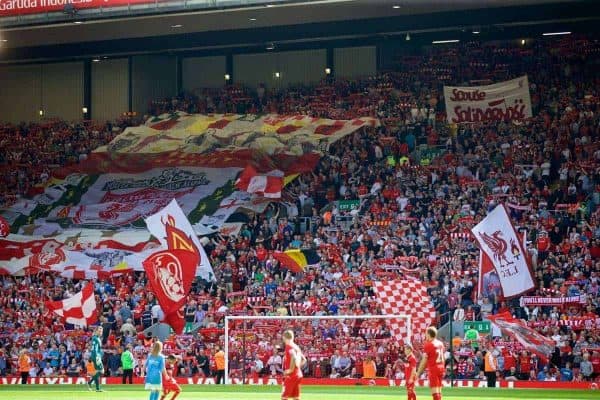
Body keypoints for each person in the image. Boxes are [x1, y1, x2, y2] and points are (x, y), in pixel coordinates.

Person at [413, 326, 445, 400]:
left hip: (434, 368)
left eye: (426, 333)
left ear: (428, 334)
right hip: (441, 368)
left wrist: (418, 373)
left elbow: (424, 361)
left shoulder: (428, 345)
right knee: (439, 391)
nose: (425, 335)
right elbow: (443, 357)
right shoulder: (440, 343)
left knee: (435, 392)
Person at [282, 329, 306, 400]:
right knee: (296, 397)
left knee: (284, 397)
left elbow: (294, 357)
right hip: (298, 374)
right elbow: (304, 360)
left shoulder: (289, 346)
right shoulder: (296, 346)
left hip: (291, 376)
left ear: (284, 337)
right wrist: (297, 369)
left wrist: (290, 370)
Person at [88, 326, 104, 392]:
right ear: (96, 331)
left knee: (99, 371)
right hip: (96, 356)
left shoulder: (97, 338)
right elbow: (94, 349)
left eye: (101, 331)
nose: (101, 332)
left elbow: (97, 348)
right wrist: (97, 357)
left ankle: (90, 383)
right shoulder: (95, 338)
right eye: (99, 331)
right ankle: (97, 388)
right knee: (101, 371)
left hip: (97, 356)